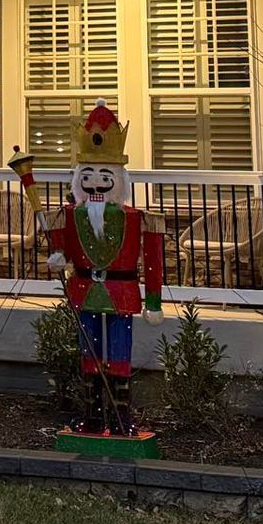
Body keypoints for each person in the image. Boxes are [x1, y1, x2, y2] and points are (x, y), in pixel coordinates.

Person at [42, 103, 164, 435]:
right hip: (84, 290)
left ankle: (122, 418)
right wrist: (56, 255)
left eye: (105, 176)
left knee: (120, 354)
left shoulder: (137, 218)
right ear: (79, 180)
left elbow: (153, 258)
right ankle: (92, 416)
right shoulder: (71, 215)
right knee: (89, 354)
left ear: (119, 180)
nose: (96, 184)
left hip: (121, 293)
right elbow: (59, 245)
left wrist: (154, 300)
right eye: (89, 176)